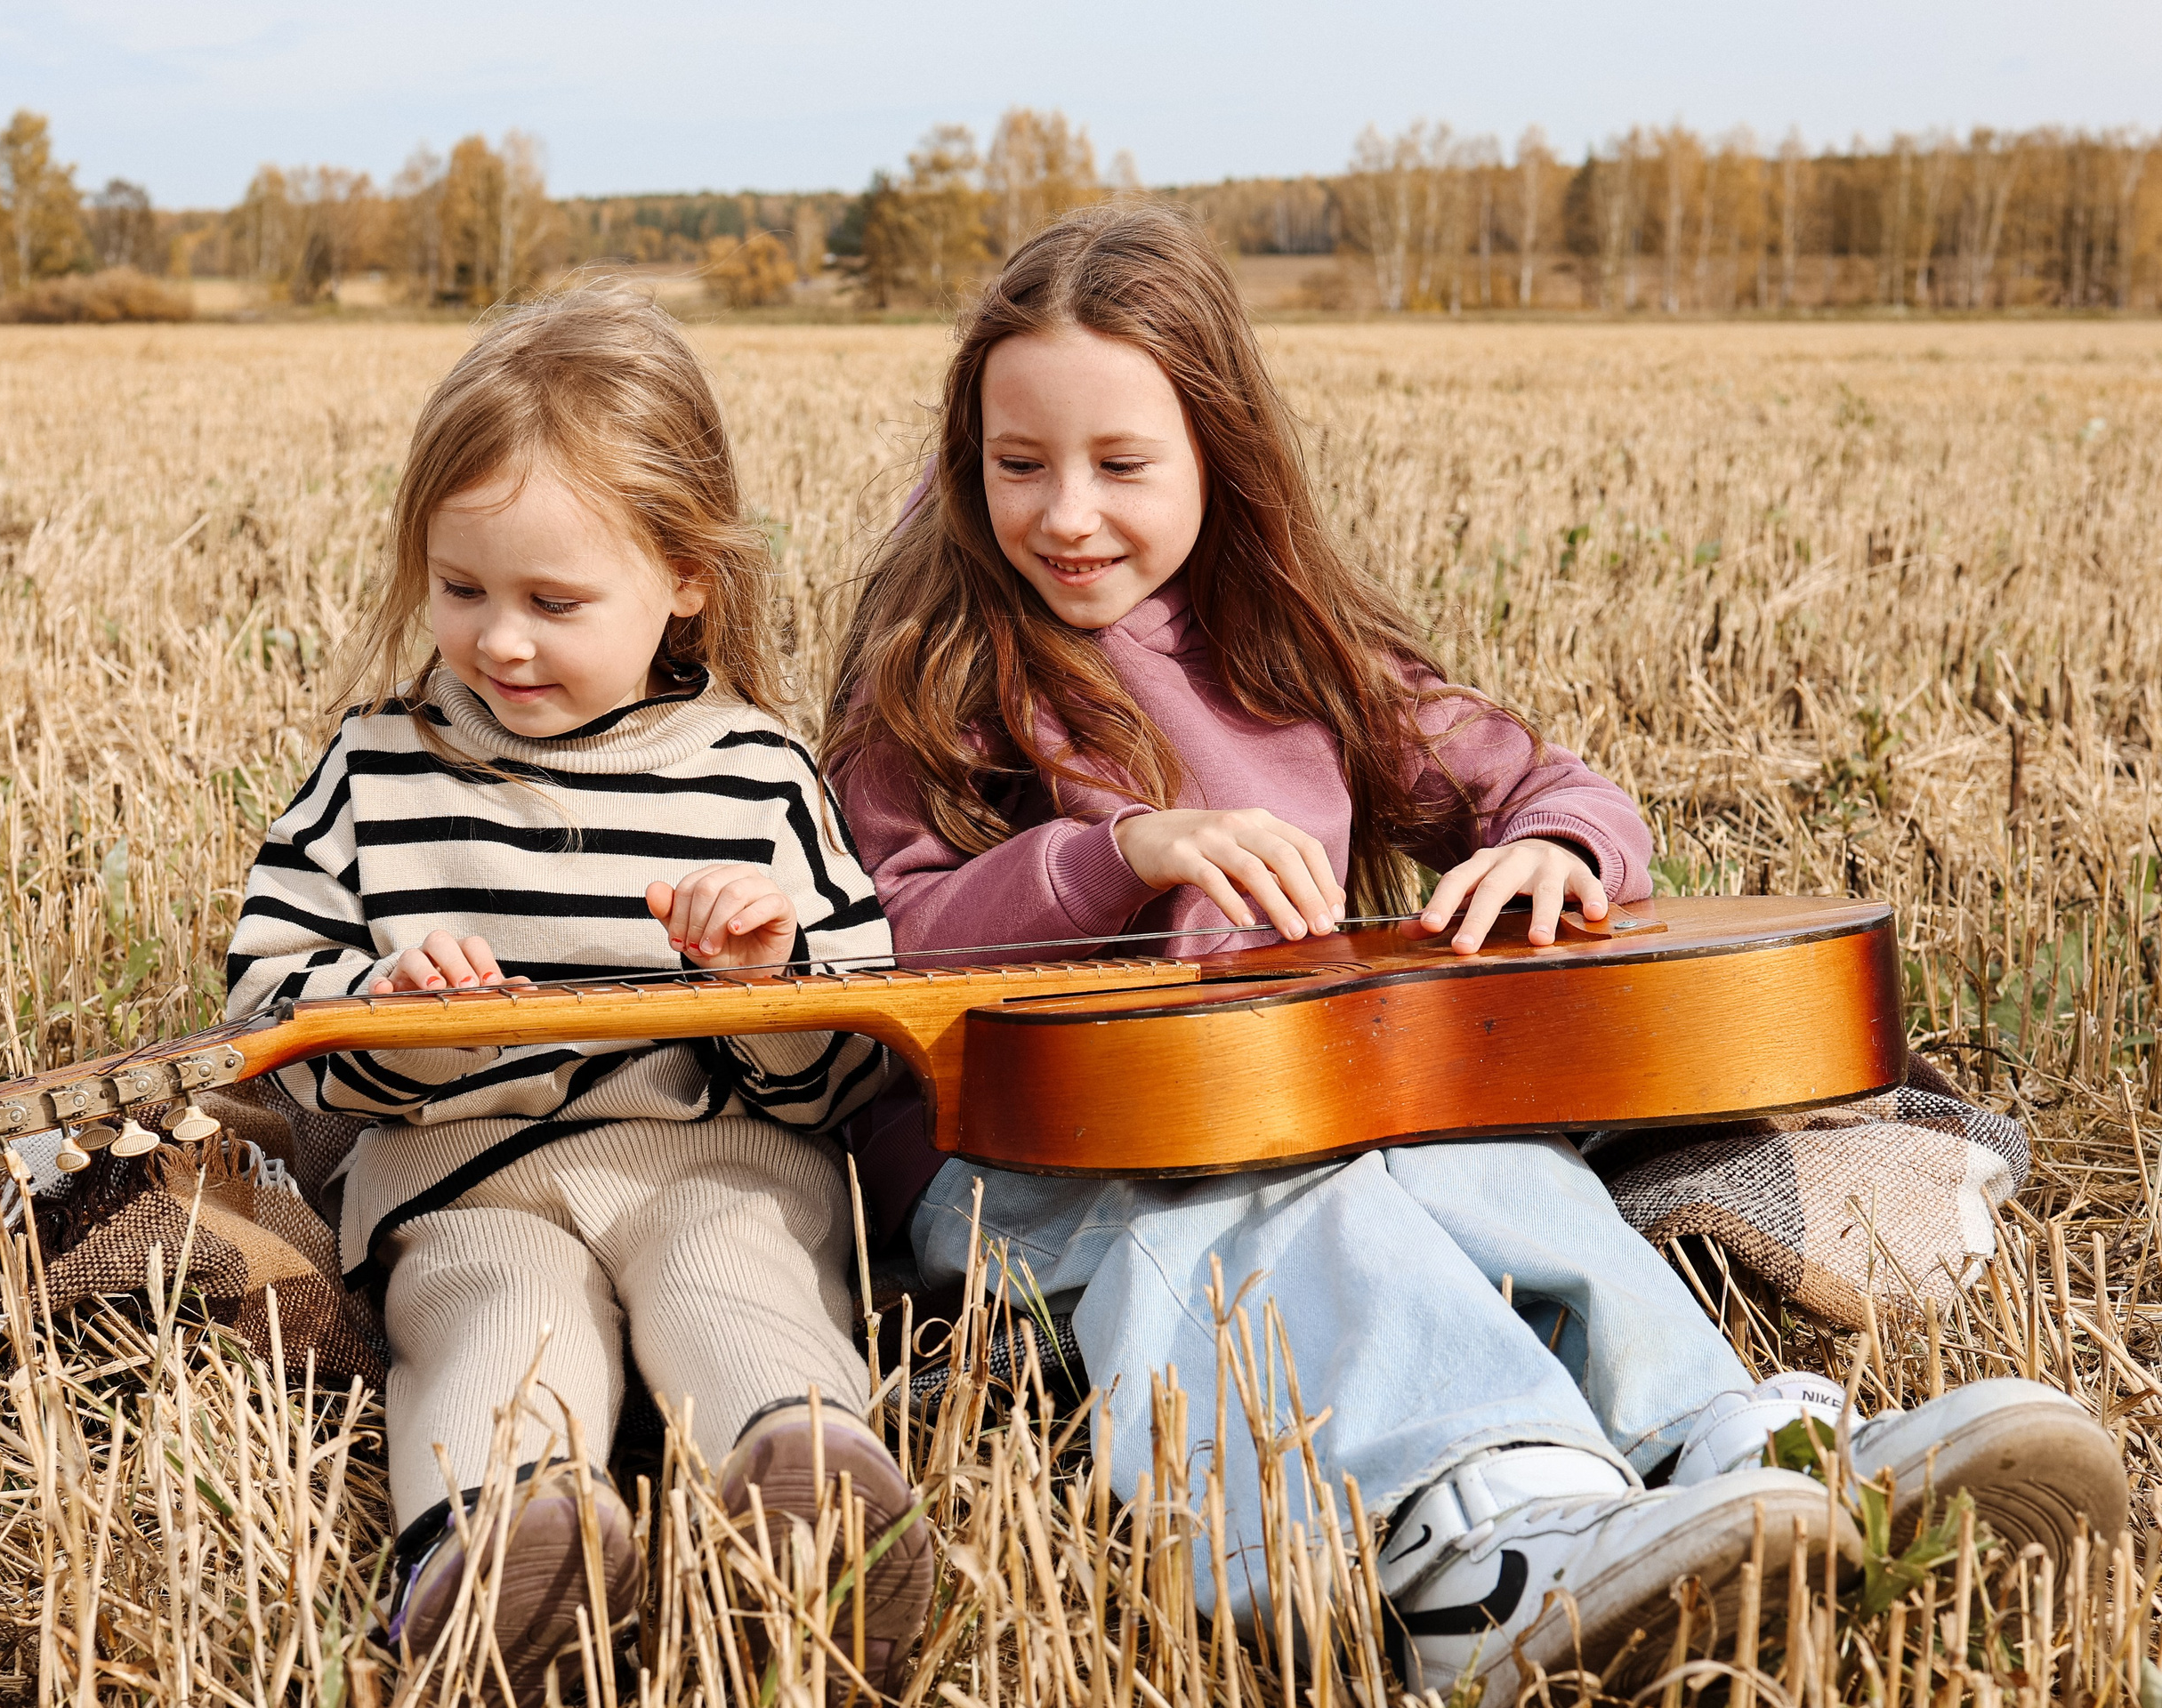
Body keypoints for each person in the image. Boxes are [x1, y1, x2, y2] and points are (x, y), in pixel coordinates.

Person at [824, 203, 2126, 1700]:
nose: (1066, 513)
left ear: (1218, 459)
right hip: (1034, 1170)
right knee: (1283, 1218)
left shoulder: (1290, 653)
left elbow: (1548, 786)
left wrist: (1551, 851)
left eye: (1122, 466)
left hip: (1312, 1091)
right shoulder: (933, 673)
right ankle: (1478, 1546)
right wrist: (1118, 852)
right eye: (1018, 465)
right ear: (964, 457)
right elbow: (885, 932)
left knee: (1493, 1164)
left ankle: (1738, 1447)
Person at [225, 288, 930, 1701]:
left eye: (555, 603)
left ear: (686, 576)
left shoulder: (755, 776)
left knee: (733, 1277)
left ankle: (806, 1507)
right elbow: (270, 1003)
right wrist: (387, 1005)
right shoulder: (376, 770)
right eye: (462, 589)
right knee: (493, 1314)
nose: (500, 643)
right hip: (470, 1178)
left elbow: (864, 1046)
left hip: (719, 1158)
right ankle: (506, 1546)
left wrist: (763, 985)